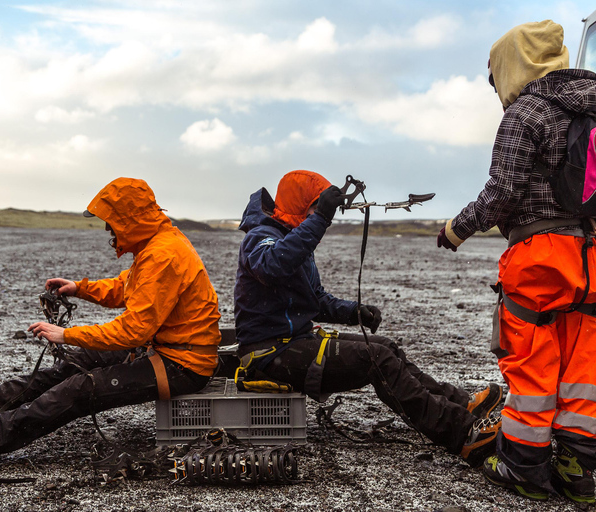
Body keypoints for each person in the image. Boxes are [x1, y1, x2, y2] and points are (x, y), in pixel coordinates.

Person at [0, 177, 222, 471]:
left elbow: (134, 331)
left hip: (183, 365)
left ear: (129, 219)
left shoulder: (164, 254)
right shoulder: (158, 245)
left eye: (111, 223)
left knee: (78, 390)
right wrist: (80, 288)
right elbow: (127, 288)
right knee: (81, 362)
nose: (109, 231)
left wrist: (66, 334)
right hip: (166, 352)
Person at [234, 169, 503, 468]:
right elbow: (272, 267)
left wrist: (353, 312)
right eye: (315, 208)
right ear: (299, 205)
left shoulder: (293, 240)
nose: (322, 216)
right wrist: (319, 219)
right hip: (268, 354)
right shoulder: (261, 237)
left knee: (386, 347)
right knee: (376, 359)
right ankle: (463, 434)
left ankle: (461, 404)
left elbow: (314, 299)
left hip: (295, 342)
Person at [437, 21, 596, 504]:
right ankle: (579, 471)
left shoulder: (526, 112)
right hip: (591, 258)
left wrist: (456, 228)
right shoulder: (590, 107)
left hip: (539, 258)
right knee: (583, 367)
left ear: (513, 65)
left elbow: (501, 194)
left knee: (531, 363)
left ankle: (524, 466)